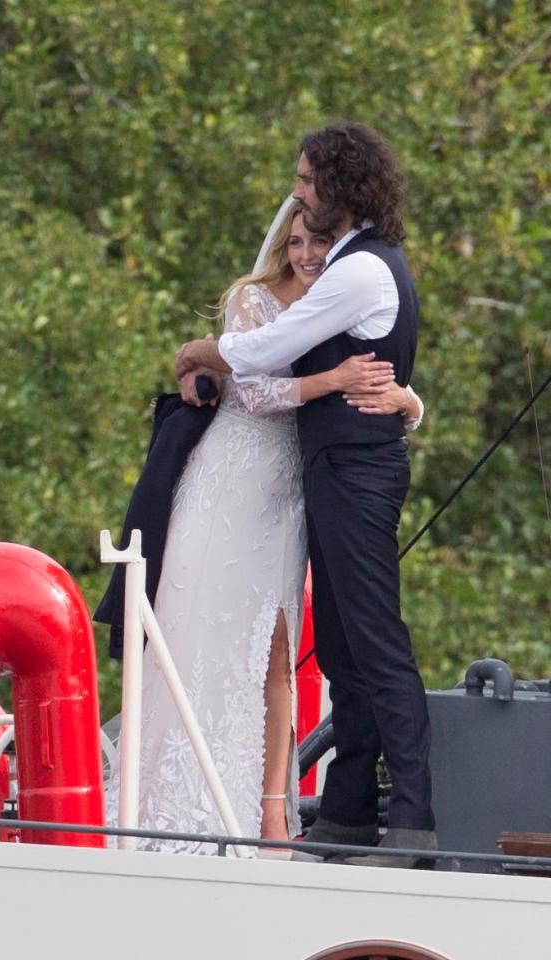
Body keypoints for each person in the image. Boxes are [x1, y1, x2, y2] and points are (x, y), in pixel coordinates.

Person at [106, 199, 424, 855]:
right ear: (282, 243)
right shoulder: (251, 301)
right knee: (197, 637)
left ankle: (270, 815)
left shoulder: (335, 306)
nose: (308, 254)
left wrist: (408, 401)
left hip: (288, 492)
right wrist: (330, 378)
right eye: (299, 241)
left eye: (321, 242)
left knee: (274, 654)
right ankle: (172, 805)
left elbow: (383, 374)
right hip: (228, 480)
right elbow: (253, 389)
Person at [175, 121, 437, 868]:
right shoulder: (355, 265)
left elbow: (268, 349)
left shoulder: (360, 271)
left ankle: (414, 819)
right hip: (334, 469)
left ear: (341, 189)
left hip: (356, 471)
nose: (295, 191)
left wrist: (201, 350)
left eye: (305, 180)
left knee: (376, 641)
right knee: (346, 645)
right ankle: (351, 811)